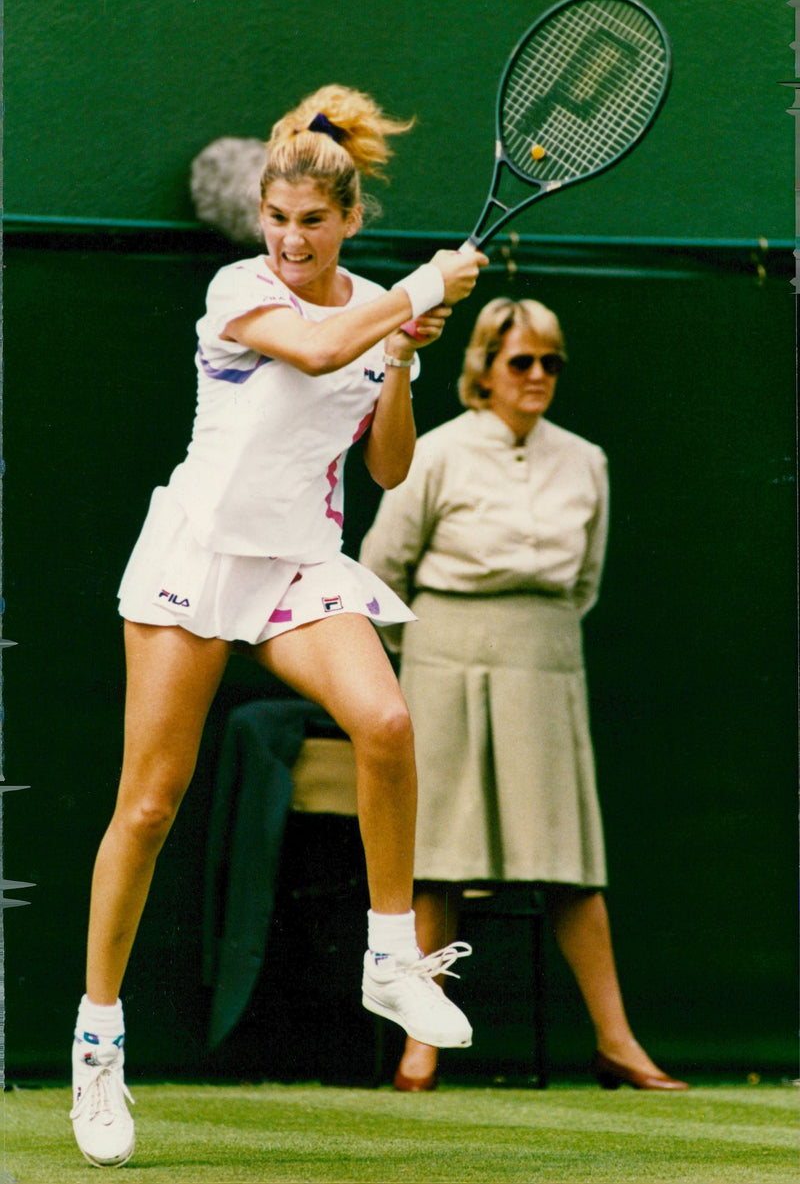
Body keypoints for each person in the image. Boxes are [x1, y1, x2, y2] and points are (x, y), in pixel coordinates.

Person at [69, 84, 488, 1168]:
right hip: (197, 553)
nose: (292, 239)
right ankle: (100, 1038)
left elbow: (388, 463)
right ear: (261, 218)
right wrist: (415, 293)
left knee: (386, 723)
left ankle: (389, 956)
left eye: (313, 221)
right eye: (278, 218)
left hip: (298, 559)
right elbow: (309, 352)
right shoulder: (235, 290)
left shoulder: (371, 312)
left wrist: (398, 351)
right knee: (151, 802)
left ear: (347, 221)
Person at [360, 297, 689, 1094]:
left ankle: (617, 1043)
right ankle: (421, 1046)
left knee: (572, 865)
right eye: (521, 361)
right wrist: (432, 654)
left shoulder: (587, 460)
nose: (537, 376)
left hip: (547, 664)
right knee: (435, 857)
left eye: (551, 362)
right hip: (442, 659)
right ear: (483, 368)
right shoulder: (435, 453)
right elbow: (381, 567)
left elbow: (583, 583)